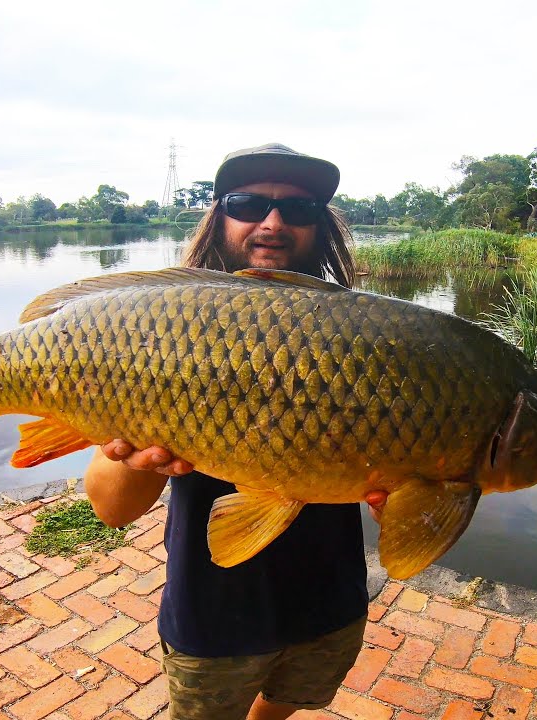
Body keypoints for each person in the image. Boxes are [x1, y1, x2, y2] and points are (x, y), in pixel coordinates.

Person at [84, 143, 387, 720]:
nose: (273, 223)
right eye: (249, 203)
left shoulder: (368, 333)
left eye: (298, 211)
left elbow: (401, 512)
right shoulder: (163, 328)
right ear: (219, 216)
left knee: (284, 705)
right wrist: (131, 453)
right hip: (214, 611)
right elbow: (112, 511)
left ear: (321, 228)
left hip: (331, 601)